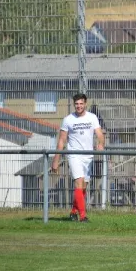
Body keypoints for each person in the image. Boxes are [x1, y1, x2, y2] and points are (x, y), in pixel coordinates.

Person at [51, 93, 105, 222]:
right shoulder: (68, 119)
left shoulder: (92, 118)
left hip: (88, 156)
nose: (79, 106)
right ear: (74, 105)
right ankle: (82, 216)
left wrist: (101, 143)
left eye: (81, 104)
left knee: (83, 187)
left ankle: (73, 211)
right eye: (76, 104)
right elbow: (61, 141)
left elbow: (99, 134)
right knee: (79, 182)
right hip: (74, 155)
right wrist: (56, 160)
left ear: (85, 104)